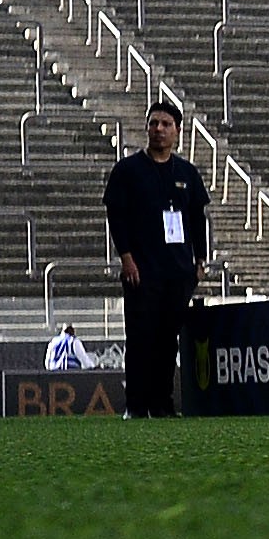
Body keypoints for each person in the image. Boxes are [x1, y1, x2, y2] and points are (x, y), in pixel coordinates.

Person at [101, 95, 208, 419]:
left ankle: (162, 405)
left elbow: (197, 219)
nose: (158, 129)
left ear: (177, 131)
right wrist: (126, 258)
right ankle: (136, 405)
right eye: (153, 123)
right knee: (140, 339)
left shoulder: (187, 173)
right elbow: (116, 217)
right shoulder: (128, 171)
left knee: (167, 342)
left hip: (177, 271)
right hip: (142, 271)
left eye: (165, 124)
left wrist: (200, 262)